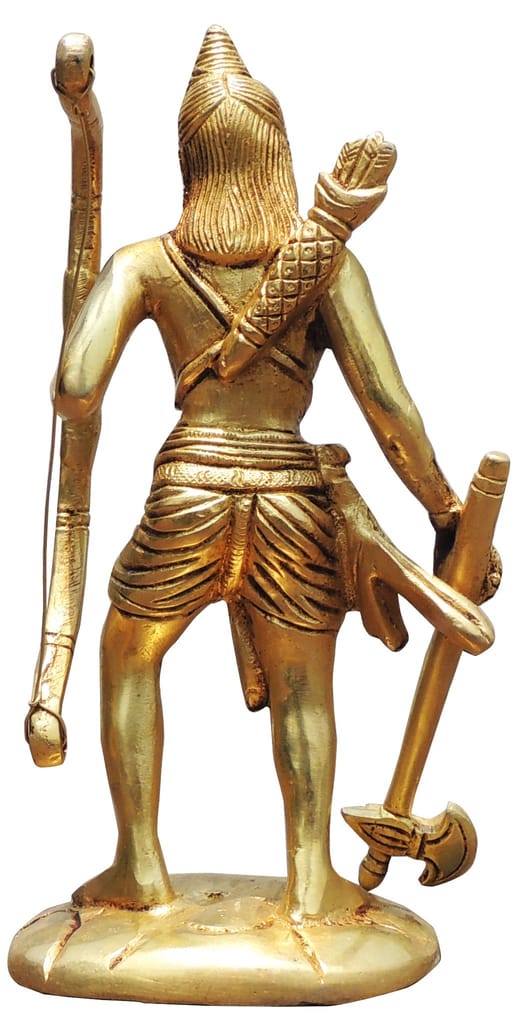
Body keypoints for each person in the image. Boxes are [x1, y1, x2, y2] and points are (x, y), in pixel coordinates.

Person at [39, 26, 492, 921]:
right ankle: (310, 877)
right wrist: (445, 513)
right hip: (293, 498)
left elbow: (74, 389)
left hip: (189, 492)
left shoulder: (144, 265)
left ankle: (139, 865)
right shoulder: (330, 264)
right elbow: (388, 409)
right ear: (278, 156)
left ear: (190, 164)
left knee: (128, 656)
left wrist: (81, 303)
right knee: (302, 687)